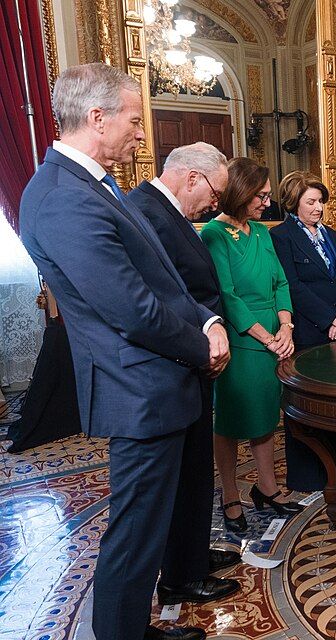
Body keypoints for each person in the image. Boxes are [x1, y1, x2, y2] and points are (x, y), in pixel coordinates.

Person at [19, 63, 229, 640]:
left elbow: (160, 277)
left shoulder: (92, 183)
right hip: (137, 385)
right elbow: (131, 307)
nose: (141, 133)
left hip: (155, 379)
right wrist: (202, 345)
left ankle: (131, 626)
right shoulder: (63, 196)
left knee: (148, 525)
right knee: (135, 531)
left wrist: (206, 320)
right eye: (134, 120)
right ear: (97, 117)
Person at [128, 142, 241, 608]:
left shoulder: (166, 211)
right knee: (180, 474)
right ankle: (181, 575)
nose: (216, 204)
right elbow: (158, 298)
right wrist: (204, 341)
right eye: (215, 192)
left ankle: (190, 557)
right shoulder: (146, 212)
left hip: (194, 361)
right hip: (177, 363)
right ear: (192, 178)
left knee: (195, 469)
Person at [201, 157, 304, 534]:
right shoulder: (213, 234)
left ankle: (268, 487)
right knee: (229, 422)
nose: (266, 202)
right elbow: (226, 296)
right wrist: (267, 337)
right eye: (260, 195)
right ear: (240, 192)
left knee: (265, 417)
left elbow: (281, 283)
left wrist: (287, 328)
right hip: (240, 340)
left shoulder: (261, 232)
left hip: (274, 338)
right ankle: (229, 494)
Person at [270, 170, 336, 491]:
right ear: (294, 203)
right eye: (312, 201)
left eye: (321, 200)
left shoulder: (330, 234)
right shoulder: (281, 237)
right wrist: (329, 319)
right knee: (308, 405)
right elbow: (292, 286)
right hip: (308, 332)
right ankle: (309, 478)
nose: (319, 207)